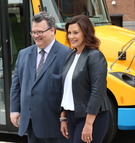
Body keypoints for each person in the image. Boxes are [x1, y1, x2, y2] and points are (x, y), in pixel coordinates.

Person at [10, 11, 71, 143]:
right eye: (34, 32)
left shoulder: (67, 54)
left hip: (55, 125)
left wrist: (64, 117)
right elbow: (16, 85)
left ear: (52, 30)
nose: (36, 36)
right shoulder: (24, 54)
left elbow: (68, 90)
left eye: (40, 32)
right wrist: (14, 110)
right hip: (31, 122)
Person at [59, 15, 111, 143]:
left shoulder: (95, 56)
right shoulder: (71, 55)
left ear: (86, 33)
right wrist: (63, 118)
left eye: (76, 32)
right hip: (72, 116)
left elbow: (97, 91)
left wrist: (88, 124)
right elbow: (65, 90)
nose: (71, 36)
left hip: (92, 117)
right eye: (69, 33)